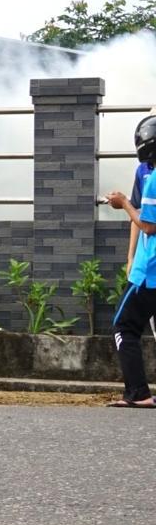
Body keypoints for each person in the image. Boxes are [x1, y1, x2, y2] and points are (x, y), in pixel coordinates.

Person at [105, 114, 156, 408]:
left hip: (150, 271)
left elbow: (148, 225)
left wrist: (123, 203)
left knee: (124, 326)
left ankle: (138, 393)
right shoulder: (144, 173)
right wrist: (129, 255)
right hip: (144, 265)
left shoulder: (153, 180)